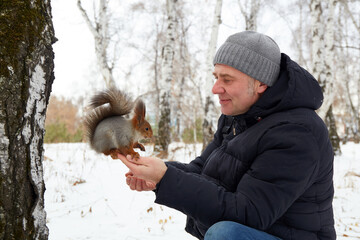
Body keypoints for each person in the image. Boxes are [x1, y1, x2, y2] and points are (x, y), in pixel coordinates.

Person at [117, 31, 336, 240]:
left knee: (225, 234)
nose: (215, 88)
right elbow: (202, 170)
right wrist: (157, 174)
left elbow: (249, 213)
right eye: (216, 77)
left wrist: (166, 178)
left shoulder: (297, 132)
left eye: (227, 80)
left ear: (261, 83)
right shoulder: (238, 118)